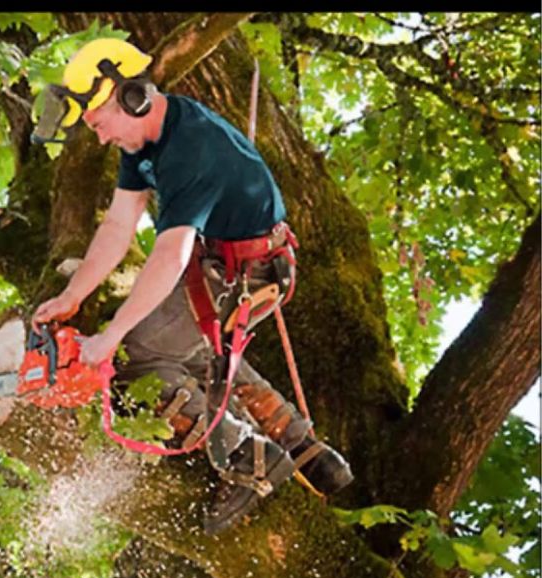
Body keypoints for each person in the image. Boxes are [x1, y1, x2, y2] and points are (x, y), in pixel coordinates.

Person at [29, 38, 353, 535]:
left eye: (99, 125)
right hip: (223, 264)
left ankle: (251, 461)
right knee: (189, 348)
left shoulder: (189, 150)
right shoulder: (146, 143)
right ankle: (299, 443)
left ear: (131, 97)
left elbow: (169, 255)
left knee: (139, 354)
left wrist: (110, 338)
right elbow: (118, 226)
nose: (99, 139)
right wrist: (73, 296)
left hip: (247, 271)